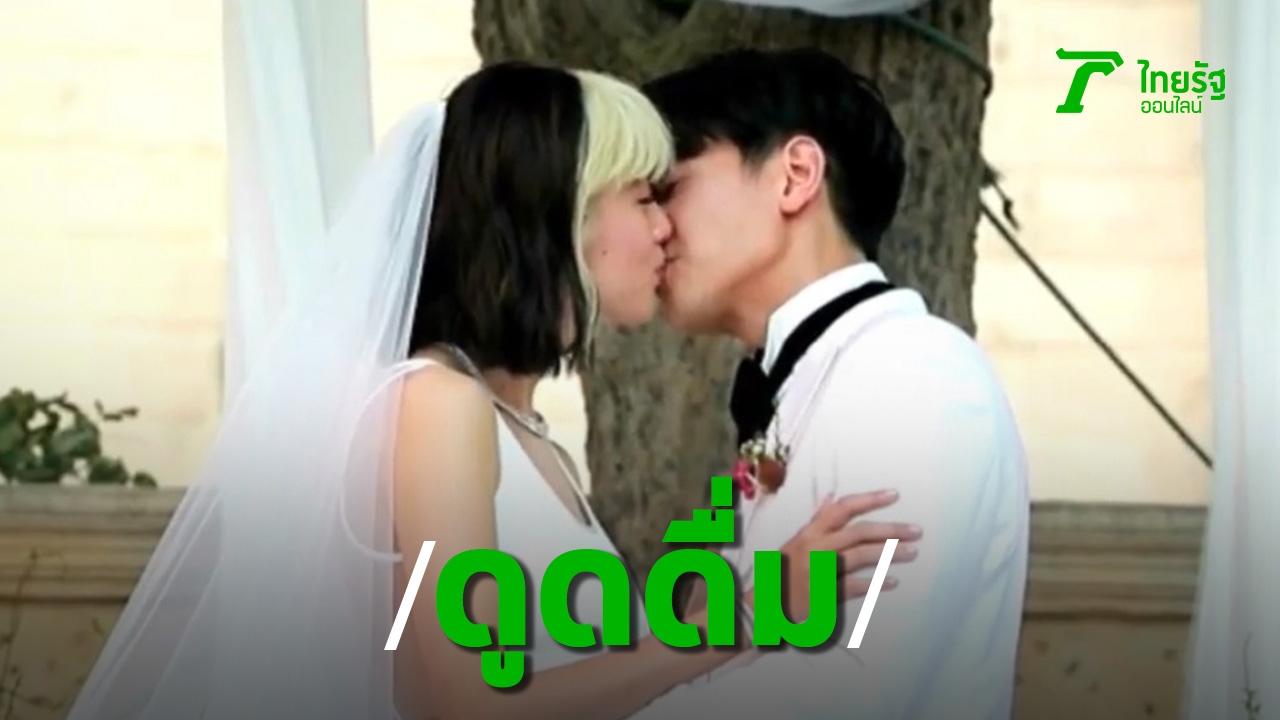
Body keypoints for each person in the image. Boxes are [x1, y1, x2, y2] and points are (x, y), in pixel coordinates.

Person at [63, 61, 917, 720]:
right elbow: (459, 703)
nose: (666, 227)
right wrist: (743, 621)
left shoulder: (520, 426)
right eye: (643, 196)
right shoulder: (439, 403)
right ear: (561, 215)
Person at [627, 48, 1031, 719]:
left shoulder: (915, 374)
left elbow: (856, 680)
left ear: (796, 175)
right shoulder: (818, 380)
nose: (653, 228)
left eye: (667, 188)